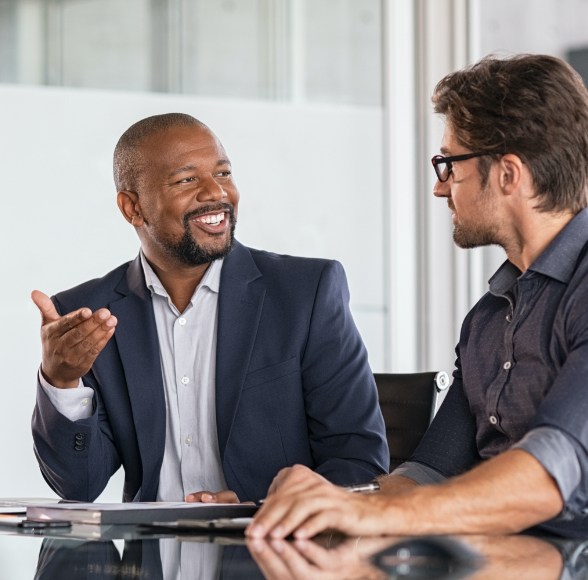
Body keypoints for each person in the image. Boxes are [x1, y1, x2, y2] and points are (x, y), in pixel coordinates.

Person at [247, 53, 588, 538]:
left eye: (449, 164)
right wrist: (321, 502)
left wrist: (375, 515)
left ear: (508, 174)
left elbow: (553, 471)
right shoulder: (490, 317)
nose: (438, 186)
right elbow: (428, 473)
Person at [31, 113, 389, 504]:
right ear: (132, 208)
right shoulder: (88, 315)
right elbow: (78, 486)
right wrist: (61, 382)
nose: (215, 193)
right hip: (151, 558)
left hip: (271, 551)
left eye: (223, 174)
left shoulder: (306, 294)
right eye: (187, 180)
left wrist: (261, 509)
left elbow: (358, 462)